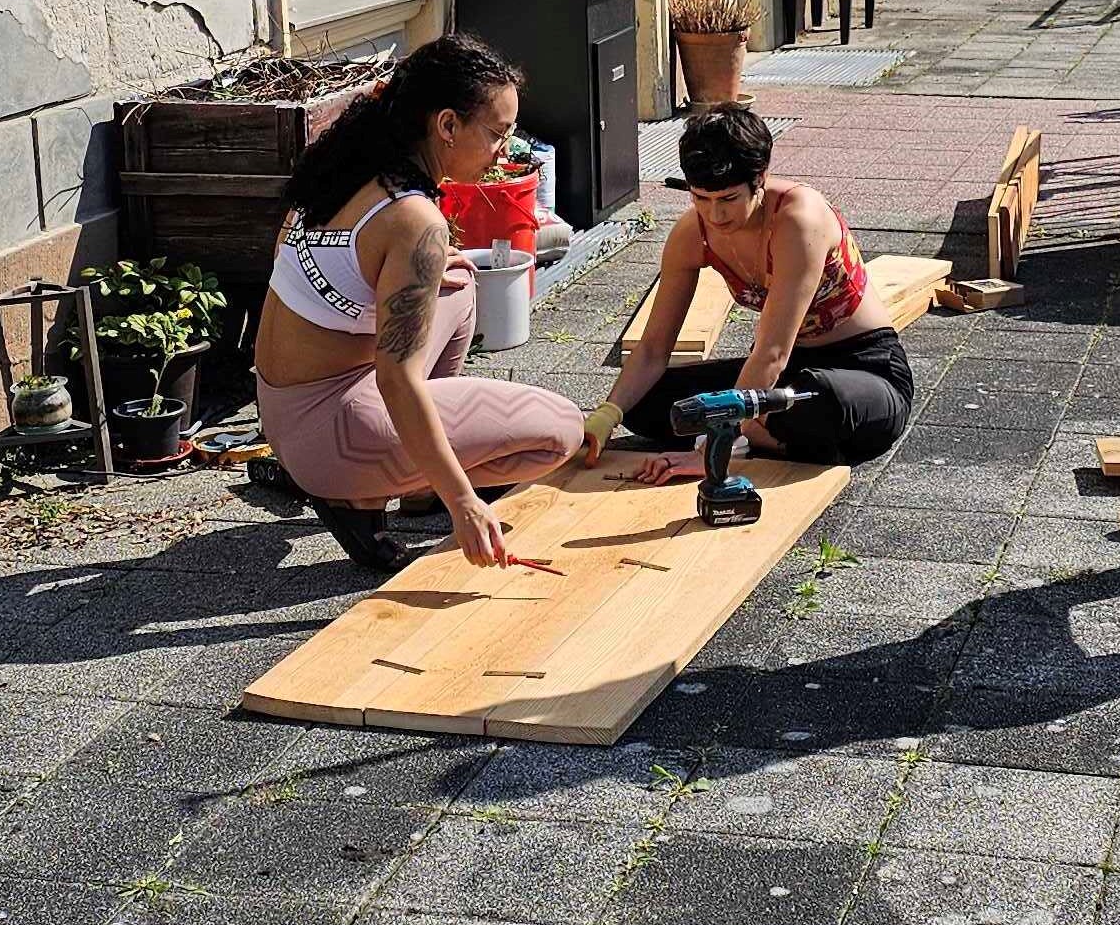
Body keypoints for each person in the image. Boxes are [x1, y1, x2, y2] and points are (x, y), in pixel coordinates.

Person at [252, 34, 585, 574]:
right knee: (562, 430)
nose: (507, 150)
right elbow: (397, 380)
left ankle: (410, 482)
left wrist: (418, 275)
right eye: (498, 134)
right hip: (335, 437)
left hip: (282, 406)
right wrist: (465, 503)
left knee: (459, 285)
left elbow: (292, 268)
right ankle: (362, 497)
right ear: (447, 125)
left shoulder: (344, 165)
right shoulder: (415, 221)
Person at [585, 102, 915, 473]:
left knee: (820, 399)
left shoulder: (798, 217)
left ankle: (748, 435)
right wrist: (607, 415)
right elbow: (651, 350)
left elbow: (771, 352)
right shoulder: (693, 233)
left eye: (728, 199)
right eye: (700, 198)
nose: (715, 215)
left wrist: (708, 453)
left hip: (863, 372)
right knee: (649, 404)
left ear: (760, 178)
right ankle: (764, 437)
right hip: (782, 376)